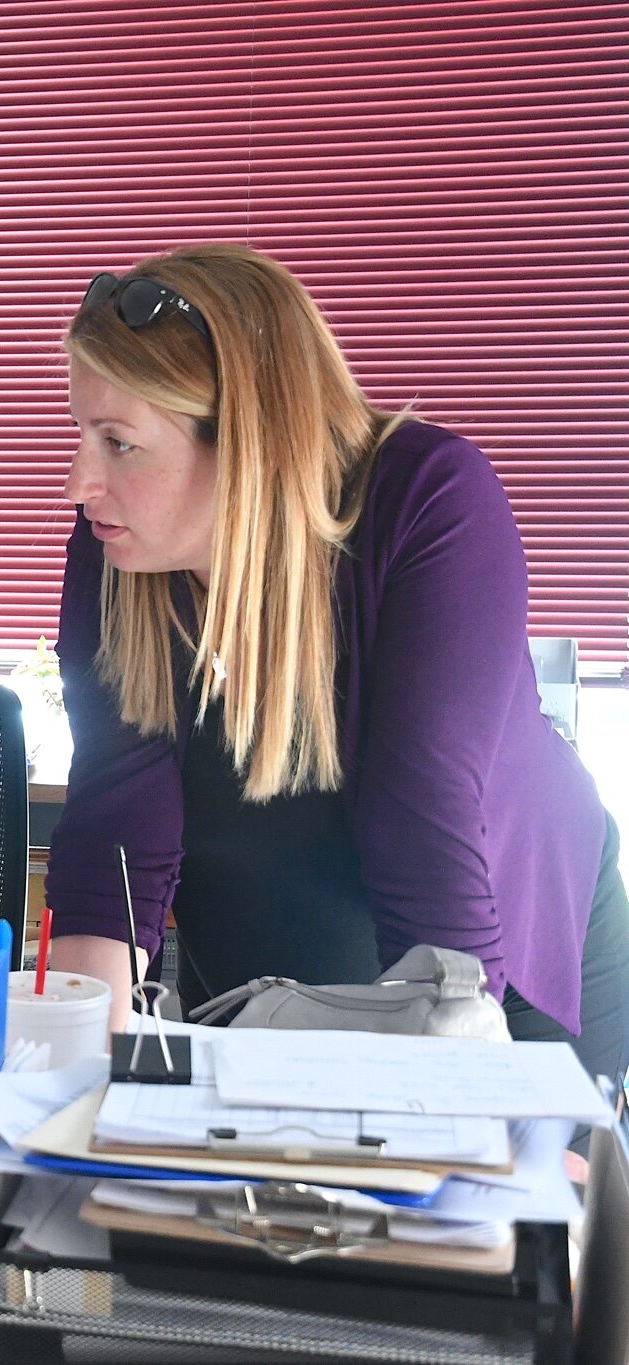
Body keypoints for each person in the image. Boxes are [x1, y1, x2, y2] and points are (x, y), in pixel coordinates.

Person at [44, 243, 627, 1090]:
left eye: (119, 443)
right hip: (263, 958)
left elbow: (423, 823)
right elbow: (113, 829)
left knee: (482, 1214)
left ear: (243, 440)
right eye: (80, 433)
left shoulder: (430, 502)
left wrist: (463, 1122)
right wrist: (70, 1085)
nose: (79, 481)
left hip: (490, 958)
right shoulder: (119, 555)